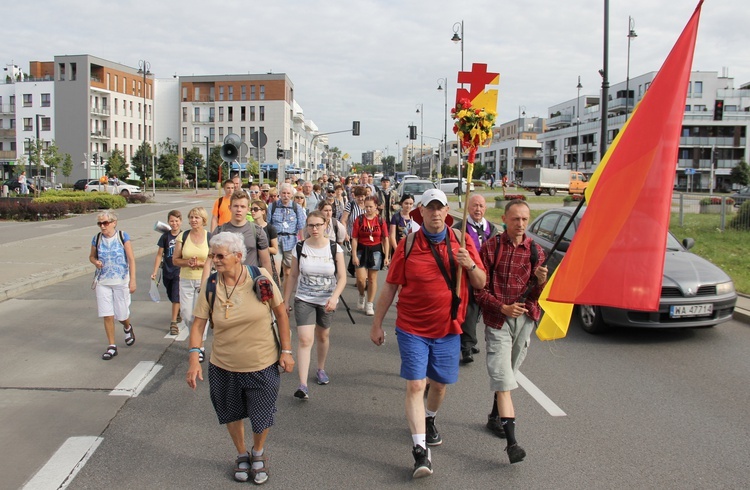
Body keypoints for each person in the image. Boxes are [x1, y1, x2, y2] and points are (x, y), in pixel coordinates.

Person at [369, 189, 486, 478]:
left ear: (447, 212)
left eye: (440, 208)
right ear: (422, 212)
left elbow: (481, 283)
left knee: (439, 385)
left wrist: (469, 264)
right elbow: (390, 286)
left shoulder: (462, 240)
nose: (435, 213)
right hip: (411, 327)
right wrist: (377, 323)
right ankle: (420, 451)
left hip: (448, 327)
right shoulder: (407, 244)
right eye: (430, 208)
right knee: (415, 386)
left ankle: (430, 418)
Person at [186, 232, 294, 485]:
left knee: (261, 414)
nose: (215, 260)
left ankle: (258, 452)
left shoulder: (260, 277)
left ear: (237, 256)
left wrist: (286, 352)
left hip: (262, 362)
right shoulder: (212, 285)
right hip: (223, 365)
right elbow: (198, 325)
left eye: (220, 255)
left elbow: (280, 314)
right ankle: (241, 453)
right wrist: (194, 358)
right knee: (231, 413)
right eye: (212, 255)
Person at [474, 199, 548, 465]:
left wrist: (540, 283)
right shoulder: (491, 248)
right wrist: (502, 307)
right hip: (497, 321)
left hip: (524, 322)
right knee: (504, 381)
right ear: (504, 219)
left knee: (509, 375)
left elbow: (537, 296)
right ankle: (512, 443)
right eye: (515, 219)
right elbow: (479, 291)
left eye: (525, 220)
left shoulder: (535, 252)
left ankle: (495, 417)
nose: (520, 225)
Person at [283, 210, 346, 400]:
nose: (314, 229)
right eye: (311, 225)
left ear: (326, 225)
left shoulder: (335, 248)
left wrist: (334, 297)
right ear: (306, 227)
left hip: (327, 300)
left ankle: (320, 368)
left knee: (323, 335)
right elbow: (292, 275)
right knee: (304, 339)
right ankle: (302, 385)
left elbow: (342, 277)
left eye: (318, 225)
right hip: (304, 299)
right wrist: (285, 300)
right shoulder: (300, 247)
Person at [453, 194, 499, 363]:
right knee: (469, 310)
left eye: (480, 206)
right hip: (467, 276)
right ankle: (466, 347)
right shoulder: (459, 229)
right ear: (468, 208)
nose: (478, 209)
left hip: (486, 276)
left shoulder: (491, 229)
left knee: (479, 311)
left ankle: (470, 341)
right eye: (474, 206)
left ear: (485, 208)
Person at [88, 210, 137, 360]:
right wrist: (95, 262)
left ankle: (127, 327)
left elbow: (131, 259)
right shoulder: (96, 238)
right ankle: (112, 346)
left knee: (121, 314)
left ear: (114, 223)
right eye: (100, 223)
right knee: (107, 314)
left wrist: (132, 279)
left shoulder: (122, 236)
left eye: (106, 223)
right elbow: (91, 256)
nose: (103, 226)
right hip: (103, 281)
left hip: (121, 280)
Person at [173, 207, 211, 362]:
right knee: (187, 315)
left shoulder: (210, 237)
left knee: (202, 314)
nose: (194, 220)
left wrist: (202, 264)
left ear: (203, 220)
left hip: (204, 279)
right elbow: (175, 260)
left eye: (197, 217)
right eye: (191, 217)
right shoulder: (183, 236)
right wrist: (187, 262)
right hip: (186, 279)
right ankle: (195, 340)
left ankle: (199, 346)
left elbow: (215, 260)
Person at [206, 190, 273, 277]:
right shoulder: (219, 231)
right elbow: (209, 262)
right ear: (230, 208)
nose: (239, 210)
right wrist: (204, 286)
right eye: (236, 206)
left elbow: (266, 262)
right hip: (224, 283)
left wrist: (268, 286)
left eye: (242, 207)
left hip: (250, 282)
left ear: (248, 209)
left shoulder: (257, 231)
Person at [351, 195, 390, 316]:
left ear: (376, 207)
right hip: (362, 250)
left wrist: (387, 256)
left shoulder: (380, 220)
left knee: (372, 278)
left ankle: (370, 303)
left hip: (376, 250)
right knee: (361, 279)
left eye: (370, 207)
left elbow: (385, 239)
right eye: (366, 207)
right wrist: (354, 255)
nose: (368, 209)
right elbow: (355, 238)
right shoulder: (360, 219)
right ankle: (362, 294)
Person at [151, 210, 183, 335]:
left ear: (180, 222)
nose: (174, 223)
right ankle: (178, 309)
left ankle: (173, 322)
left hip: (179, 271)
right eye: (172, 221)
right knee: (170, 294)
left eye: (176, 221)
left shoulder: (184, 235)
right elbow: (159, 255)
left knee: (176, 295)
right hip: (167, 270)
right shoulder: (165, 236)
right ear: (168, 222)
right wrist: (154, 271)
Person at [268, 183, 307, 282]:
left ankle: (286, 293)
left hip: (290, 241)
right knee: (275, 269)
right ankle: (277, 291)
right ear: (280, 194)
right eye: (283, 193)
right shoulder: (272, 206)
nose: (286, 195)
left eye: (288, 193)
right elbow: (268, 224)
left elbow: (301, 225)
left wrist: (302, 241)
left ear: (291, 195)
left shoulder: (296, 207)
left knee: (288, 271)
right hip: (276, 240)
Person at [250, 199, 281, 286]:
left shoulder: (270, 228)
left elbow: (275, 250)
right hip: (252, 262)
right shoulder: (248, 227)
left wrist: (262, 248)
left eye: (256, 209)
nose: (253, 211)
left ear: (263, 211)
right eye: (251, 209)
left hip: (266, 263)